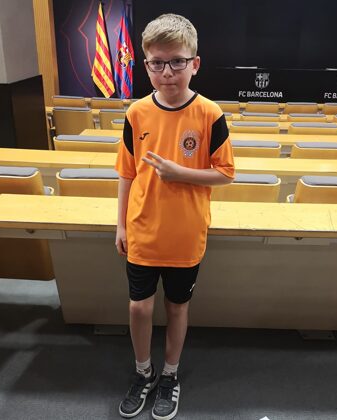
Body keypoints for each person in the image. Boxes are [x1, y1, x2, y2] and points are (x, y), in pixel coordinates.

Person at [115, 13, 235, 420]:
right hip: (142, 230)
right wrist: (120, 224)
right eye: (157, 63)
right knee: (139, 308)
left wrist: (179, 172)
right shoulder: (136, 113)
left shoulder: (210, 114)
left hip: (186, 233)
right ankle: (143, 372)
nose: (167, 72)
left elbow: (225, 174)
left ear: (194, 63)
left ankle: (169, 374)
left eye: (177, 62)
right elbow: (127, 173)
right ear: (146, 64)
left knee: (177, 307)